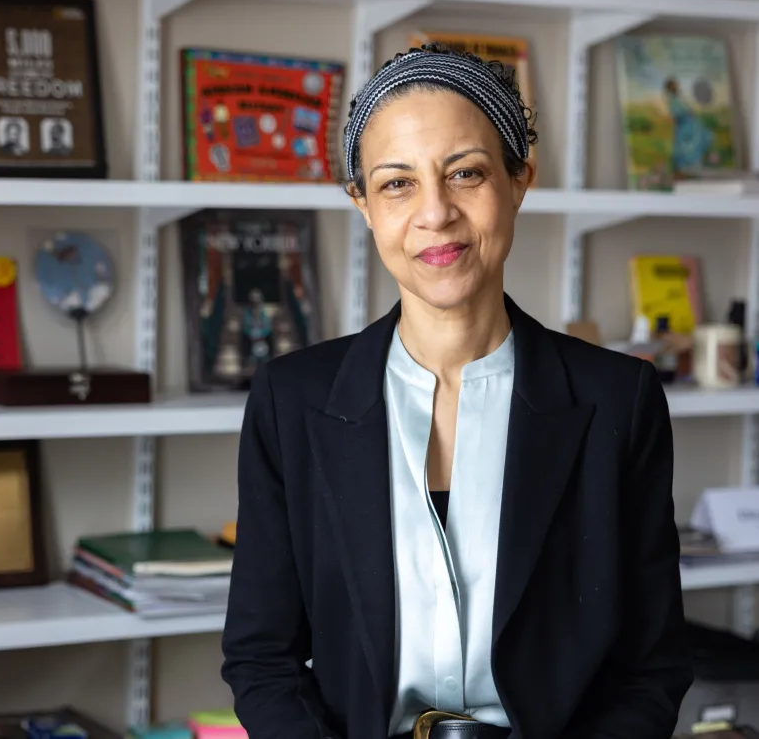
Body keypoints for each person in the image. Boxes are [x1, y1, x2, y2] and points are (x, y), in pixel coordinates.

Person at [220, 43, 693, 739]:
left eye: (465, 173)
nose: (435, 213)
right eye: (397, 184)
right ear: (362, 205)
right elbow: (262, 660)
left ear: (519, 180)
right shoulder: (291, 401)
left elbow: (651, 667)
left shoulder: (618, 401)